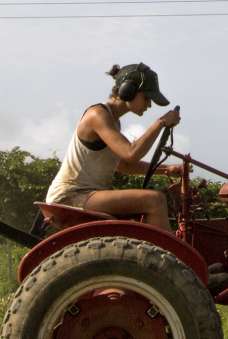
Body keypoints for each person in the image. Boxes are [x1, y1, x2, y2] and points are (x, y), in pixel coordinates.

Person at [45, 63, 183, 232]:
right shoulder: (97, 115)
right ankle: (168, 257)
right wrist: (160, 123)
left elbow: (124, 165)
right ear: (128, 91)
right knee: (154, 200)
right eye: (146, 97)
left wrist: (168, 168)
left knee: (152, 199)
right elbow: (130, 153)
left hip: (86, 195)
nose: (149, 105)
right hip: (71, 196)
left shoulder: (113, 121)